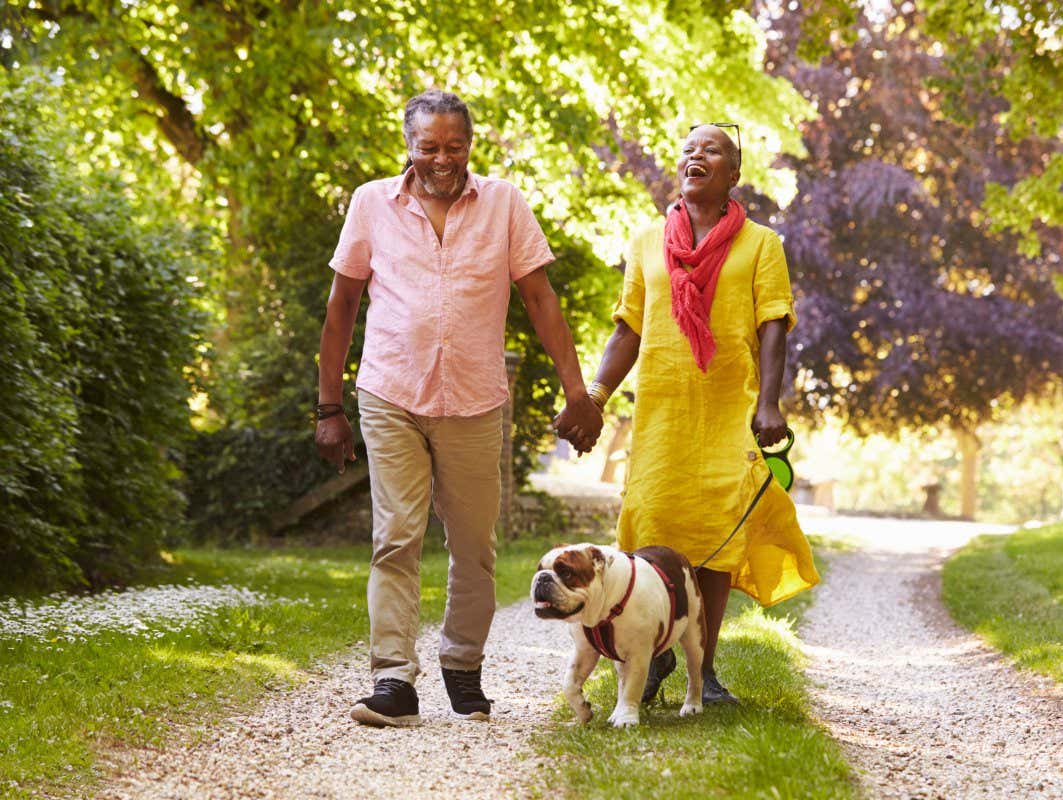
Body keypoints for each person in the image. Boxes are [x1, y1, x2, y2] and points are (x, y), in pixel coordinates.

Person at [316, 89, 602, 727]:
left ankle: (462, 666)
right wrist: (327, 407)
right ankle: (393, 680)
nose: (443, 159)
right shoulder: (371, 204)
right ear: (409, 148)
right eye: (429, 148)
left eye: (455, 146)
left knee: (474, 546)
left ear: (470, 145)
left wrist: (576, 390)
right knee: (395, 539)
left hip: (473, 401)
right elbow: (341, 308)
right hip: (391, 392)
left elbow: (540, 298)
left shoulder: (503, 203)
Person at [579, 123, 820, 705]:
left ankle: (702, 672)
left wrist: (768, 402)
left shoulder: (762, 245)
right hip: (661, 411)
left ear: (733, 173)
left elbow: (773, 326)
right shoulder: (645, 242)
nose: (695, 156)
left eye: (711, 150)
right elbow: (628, 329)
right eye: (689, 150)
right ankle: (652, 655)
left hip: (726, 410)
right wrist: (594, 396)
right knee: (652, 532)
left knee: (715, 543)